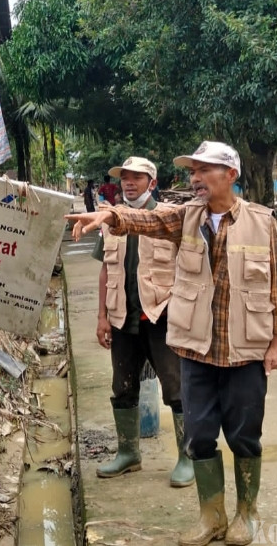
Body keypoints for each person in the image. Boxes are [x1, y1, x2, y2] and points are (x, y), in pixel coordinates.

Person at [66, 142, 277, 546]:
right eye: (192, 172)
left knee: (244, 437)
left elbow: (276, 287)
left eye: (204, 171)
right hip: (196, 349)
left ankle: (246, 514)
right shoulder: (184, 218)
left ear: (231, 175)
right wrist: (109, 214)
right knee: (199, 435)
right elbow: (145, 221)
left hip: (244, 351)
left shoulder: (261, 221)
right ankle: (211, 516)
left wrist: (276, 341)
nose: (196, 179)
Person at [91, 156, 193, 488]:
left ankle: (187, 457)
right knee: (122, 386)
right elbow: (106, 268)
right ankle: (128, 454)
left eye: (137, 177)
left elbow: (190, 267)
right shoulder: (110, 220)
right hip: (123, 316)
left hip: (161, 316)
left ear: (152, 182)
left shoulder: (168, 218)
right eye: (125, 178)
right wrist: (102, 316)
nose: (129, 182)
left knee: (177, 388)